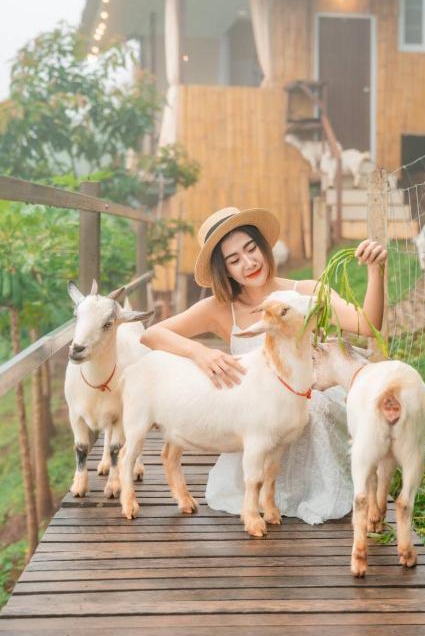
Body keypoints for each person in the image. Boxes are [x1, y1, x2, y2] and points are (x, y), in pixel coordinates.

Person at [141, 206, 387, 524]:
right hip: (253, 423)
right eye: (234, 260)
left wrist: (374, 271)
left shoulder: (306, 293)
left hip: (302, 412)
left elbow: (367, 325)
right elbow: (151, 335)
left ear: (263, 247)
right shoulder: (219, 308)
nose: (249, 263)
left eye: (251, 249)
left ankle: (313, 483)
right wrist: (198, 352)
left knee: (309, 414)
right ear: (225, 271)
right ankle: (258, 495)